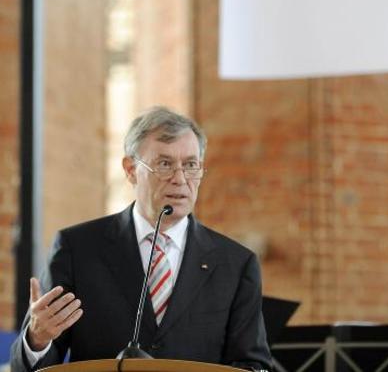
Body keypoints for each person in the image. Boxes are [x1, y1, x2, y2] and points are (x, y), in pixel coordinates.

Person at [10, 106, 272, 372]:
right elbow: (30, 366)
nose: (180, 179)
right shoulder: (77, 249)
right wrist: (37, 339)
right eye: (164, 164)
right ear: (131, 169)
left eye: (191, 165)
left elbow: (253, 364)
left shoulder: (236, 264)